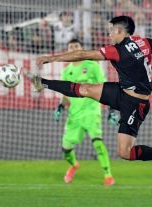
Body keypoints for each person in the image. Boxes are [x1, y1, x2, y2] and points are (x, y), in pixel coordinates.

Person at [27, 15, 152, 180]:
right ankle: (42, 82)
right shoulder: (144, 43)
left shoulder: (116, 50)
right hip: (121, 91)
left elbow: (83, 54)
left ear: (120, 30)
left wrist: (51, 58)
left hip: (136, 104)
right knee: (86, 89)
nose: (109, 33)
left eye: (111, 29)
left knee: (124, 152)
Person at [53, 38, 116, 186]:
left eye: (76, 45)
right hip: (74, 115)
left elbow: (105, 87)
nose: (73, 48)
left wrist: (112, 109)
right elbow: (66, 95)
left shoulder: (92, 66)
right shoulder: (66, 72)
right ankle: (73, 165)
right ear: (68, 51)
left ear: (81, 48)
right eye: (71, 46)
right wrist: (60, 106)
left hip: (92, 111)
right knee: (66, 148)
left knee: (97, 142)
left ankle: (108, 175)